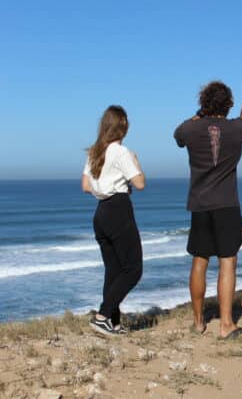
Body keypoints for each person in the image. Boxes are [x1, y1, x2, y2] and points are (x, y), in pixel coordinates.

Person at [174, 81, 242, 339]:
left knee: (200, 260)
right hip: (227, 204)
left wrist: (201, 114)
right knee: (227, 261)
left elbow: (179, 134)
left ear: (204, 103)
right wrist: (240, 111)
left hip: (200, 204)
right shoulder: (238, 129)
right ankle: (226, 324)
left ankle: (198, 322)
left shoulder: (191, 128)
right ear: (227, 103)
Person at [82, 105, 145, 337]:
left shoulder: (95, 151)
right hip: (118, 209)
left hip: (101, 212)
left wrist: (105, 187)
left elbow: (86, 186)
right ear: (123, 126)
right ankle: (102, 316)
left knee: (114, 269)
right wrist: (135, 162)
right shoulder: (121, 152)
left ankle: (113, 323)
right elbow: (140, 183)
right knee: (133, 269)